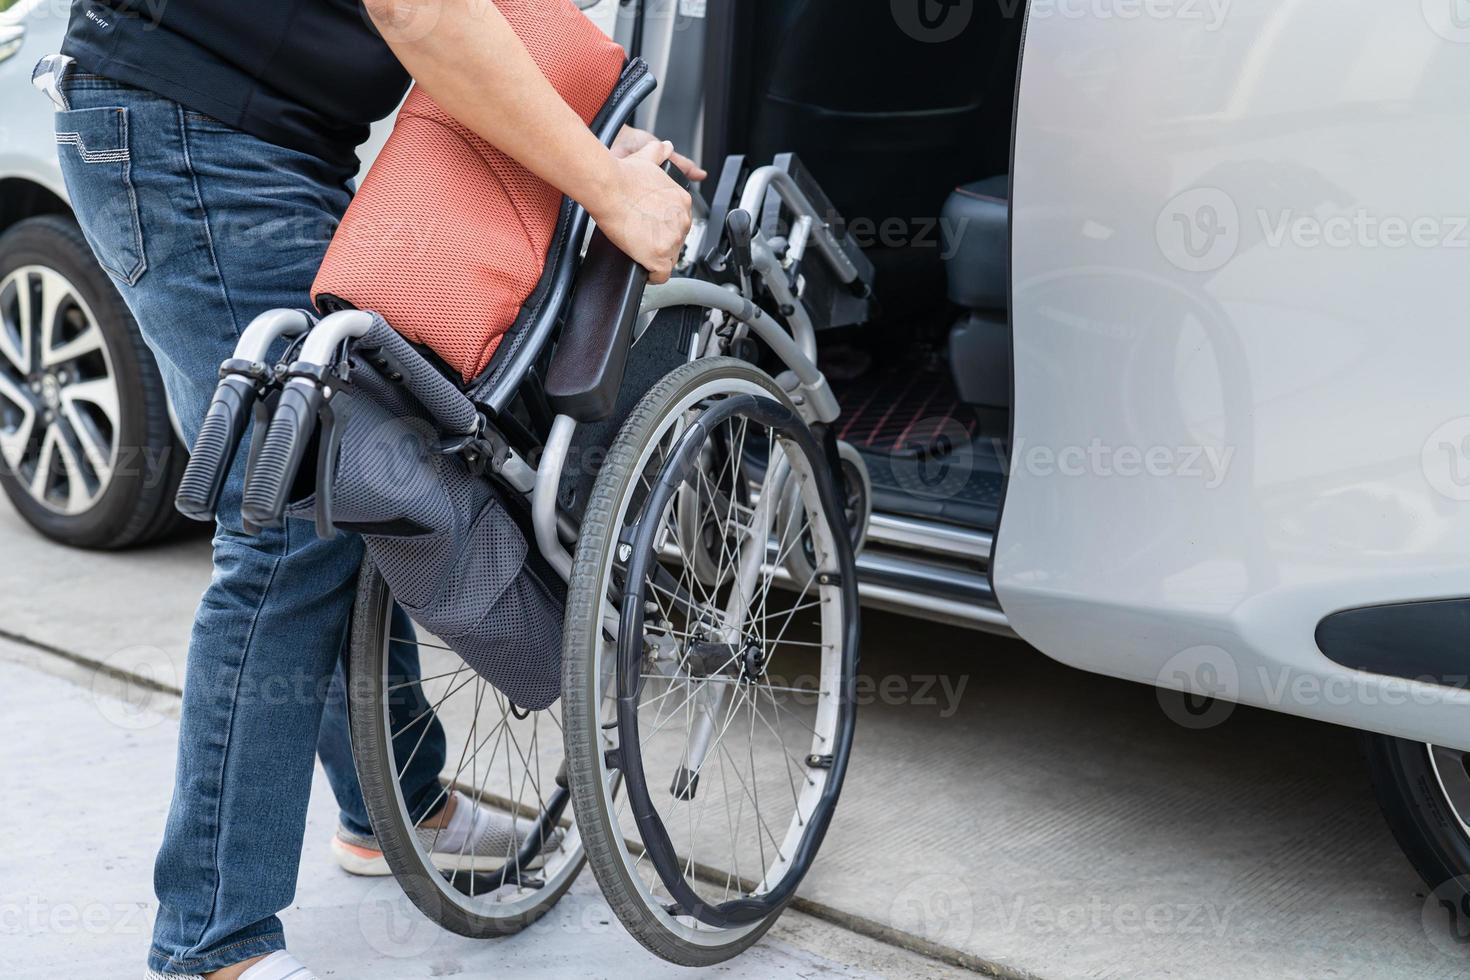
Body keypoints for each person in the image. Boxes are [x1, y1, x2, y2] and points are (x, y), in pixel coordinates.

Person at [35, 2, 705, 978]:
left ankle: (396, 800)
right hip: (194, 137)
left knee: (331, 495)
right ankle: (212, 940)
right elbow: (420, 12)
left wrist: (588, 142)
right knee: (288, 517)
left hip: (229, 140)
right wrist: (606, 186)